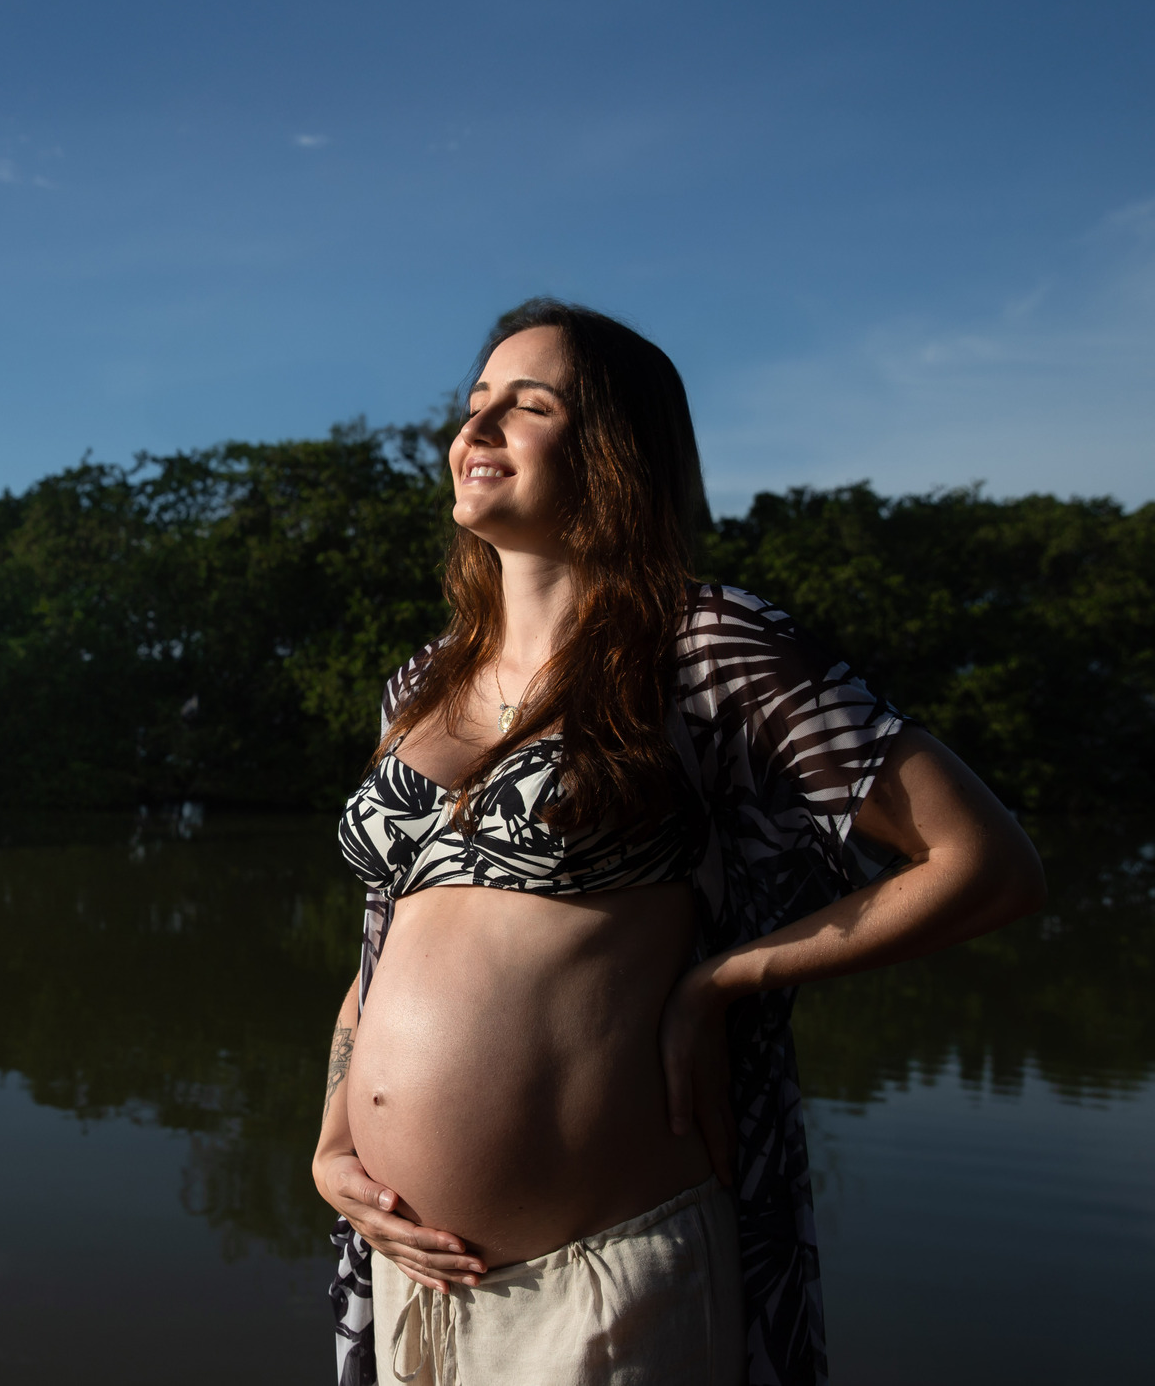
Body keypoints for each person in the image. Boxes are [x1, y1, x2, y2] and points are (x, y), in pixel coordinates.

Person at [312, 300, 1045, 1386]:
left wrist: (725, 980)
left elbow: (984, 861)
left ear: (615, 449)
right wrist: (334, 1136)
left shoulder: (705, 644)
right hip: (413, 1276)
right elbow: (382, 946)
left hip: (603, 1291)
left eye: (530, 405)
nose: (479, 427)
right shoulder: (420, 683)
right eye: (475, 403)